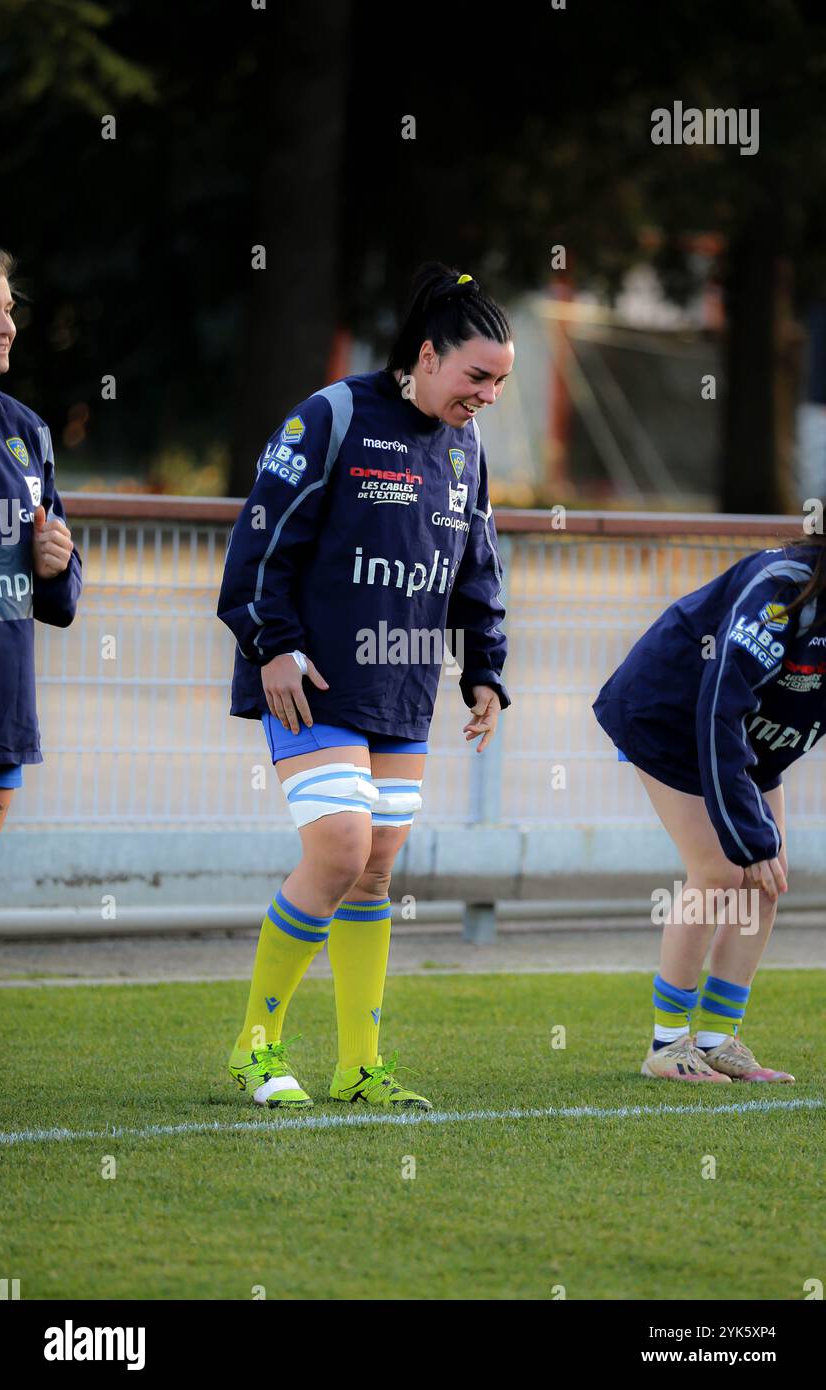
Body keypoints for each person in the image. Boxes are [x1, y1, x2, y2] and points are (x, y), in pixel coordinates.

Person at [218, 262, 514, 1109]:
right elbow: (262, 538)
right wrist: (271, 644)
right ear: (427, 355)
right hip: (310, 678)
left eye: (500, 381)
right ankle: (254, 1045)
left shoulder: (467, 448)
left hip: (405, 684)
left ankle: (358, 1067)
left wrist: (486, 669)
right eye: (476, 376)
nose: (488, 394)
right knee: (341, 849)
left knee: (378, 866)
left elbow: (477, 568)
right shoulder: (335, 414)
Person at [593, 533, 826, 1083]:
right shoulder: (782, 589)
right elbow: (719, 705)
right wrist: (751, 835)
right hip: (672, 718)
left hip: (747, 739)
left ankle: (720, 1039)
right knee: (721, 871)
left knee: (766, 882)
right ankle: (667, 1045)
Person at [0, 250, 81, 843]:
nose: (9, 327)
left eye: (7, 309)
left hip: (2, 712)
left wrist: (54, 565)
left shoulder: (26, 431)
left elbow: (63, 595)